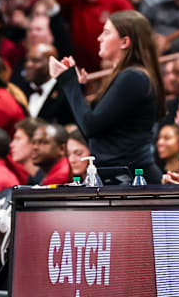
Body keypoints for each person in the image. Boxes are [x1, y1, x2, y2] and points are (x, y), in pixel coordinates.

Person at [51, 10, 165, 185]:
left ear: (125, 42)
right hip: (120, 178)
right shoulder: (129, 76)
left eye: (106, 33)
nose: (99, 39)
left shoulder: (133, 77)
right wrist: (74, 86)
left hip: (133, 180)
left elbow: (91, 126)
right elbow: (93, 132)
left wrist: (69, 81)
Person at [20, 43, 75, 125]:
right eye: (27, 60)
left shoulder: (65, 92)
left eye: (35, 60)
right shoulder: (19, 89)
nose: (28, 64)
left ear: (51, 63)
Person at [10, 117, 45, 184]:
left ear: (34, 142)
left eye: (18, 139)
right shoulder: (32, 178)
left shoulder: (50, 180)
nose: (11, 145)